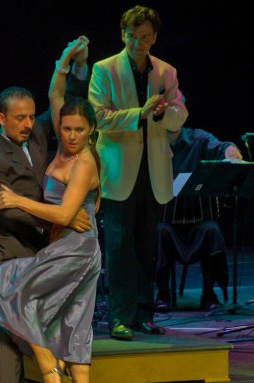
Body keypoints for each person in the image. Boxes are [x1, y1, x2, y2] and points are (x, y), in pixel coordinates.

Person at [0, 36, 100, 383]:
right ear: (1, 118)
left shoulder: (42, 137)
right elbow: (5, 209)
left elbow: (58, 98)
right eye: (20, 119)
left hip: (45, 245)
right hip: (3, 245)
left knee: (49, 322)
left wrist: (66, 63)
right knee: (3, 332)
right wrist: (55, 222)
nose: (30, 124)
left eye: (31, 117)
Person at [88, 5, 188, 340]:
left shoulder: (166, 71)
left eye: (145, 37)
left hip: (153, 169)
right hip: (118, 171)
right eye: (133, 36)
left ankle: (144, 314)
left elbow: (181, 113)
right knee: (119, 247)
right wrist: (140, 114)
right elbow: (98, 117)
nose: (138, 42)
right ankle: (120, 316)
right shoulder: (104, 70)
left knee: (148, 245)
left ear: (154, 38)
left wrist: (162, 115)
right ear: (123, 35)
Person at [155, 127, 242, 311]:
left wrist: (231, 150)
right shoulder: (152, 142)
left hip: (198, 219)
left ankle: (208, 294)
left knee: (212, 230)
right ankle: (163, 294)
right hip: (168, 221)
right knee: (159, 232)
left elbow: (222, 146)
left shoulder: (198, 139)